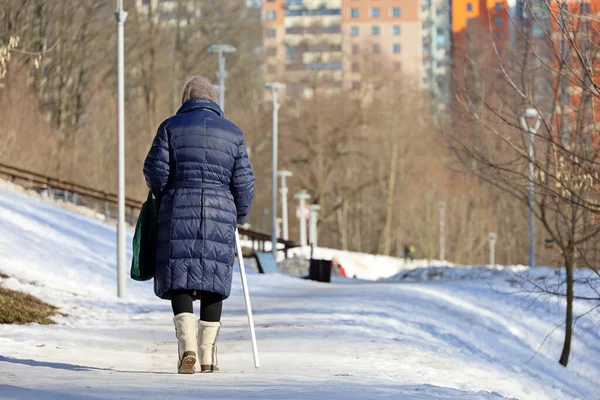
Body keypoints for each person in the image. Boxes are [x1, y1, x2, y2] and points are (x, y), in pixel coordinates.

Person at [143, 76, 255, 374]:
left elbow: (155, 170)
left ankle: (187, 349)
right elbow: (244, 181)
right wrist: (240, 215)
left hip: (178, 205)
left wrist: (163, 192)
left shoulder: (170, 127)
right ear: (213, 99)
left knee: (180, 273)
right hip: (220, 210)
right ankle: (207, 355)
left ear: (186, 98)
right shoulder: (233, 133)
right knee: (213, 279)